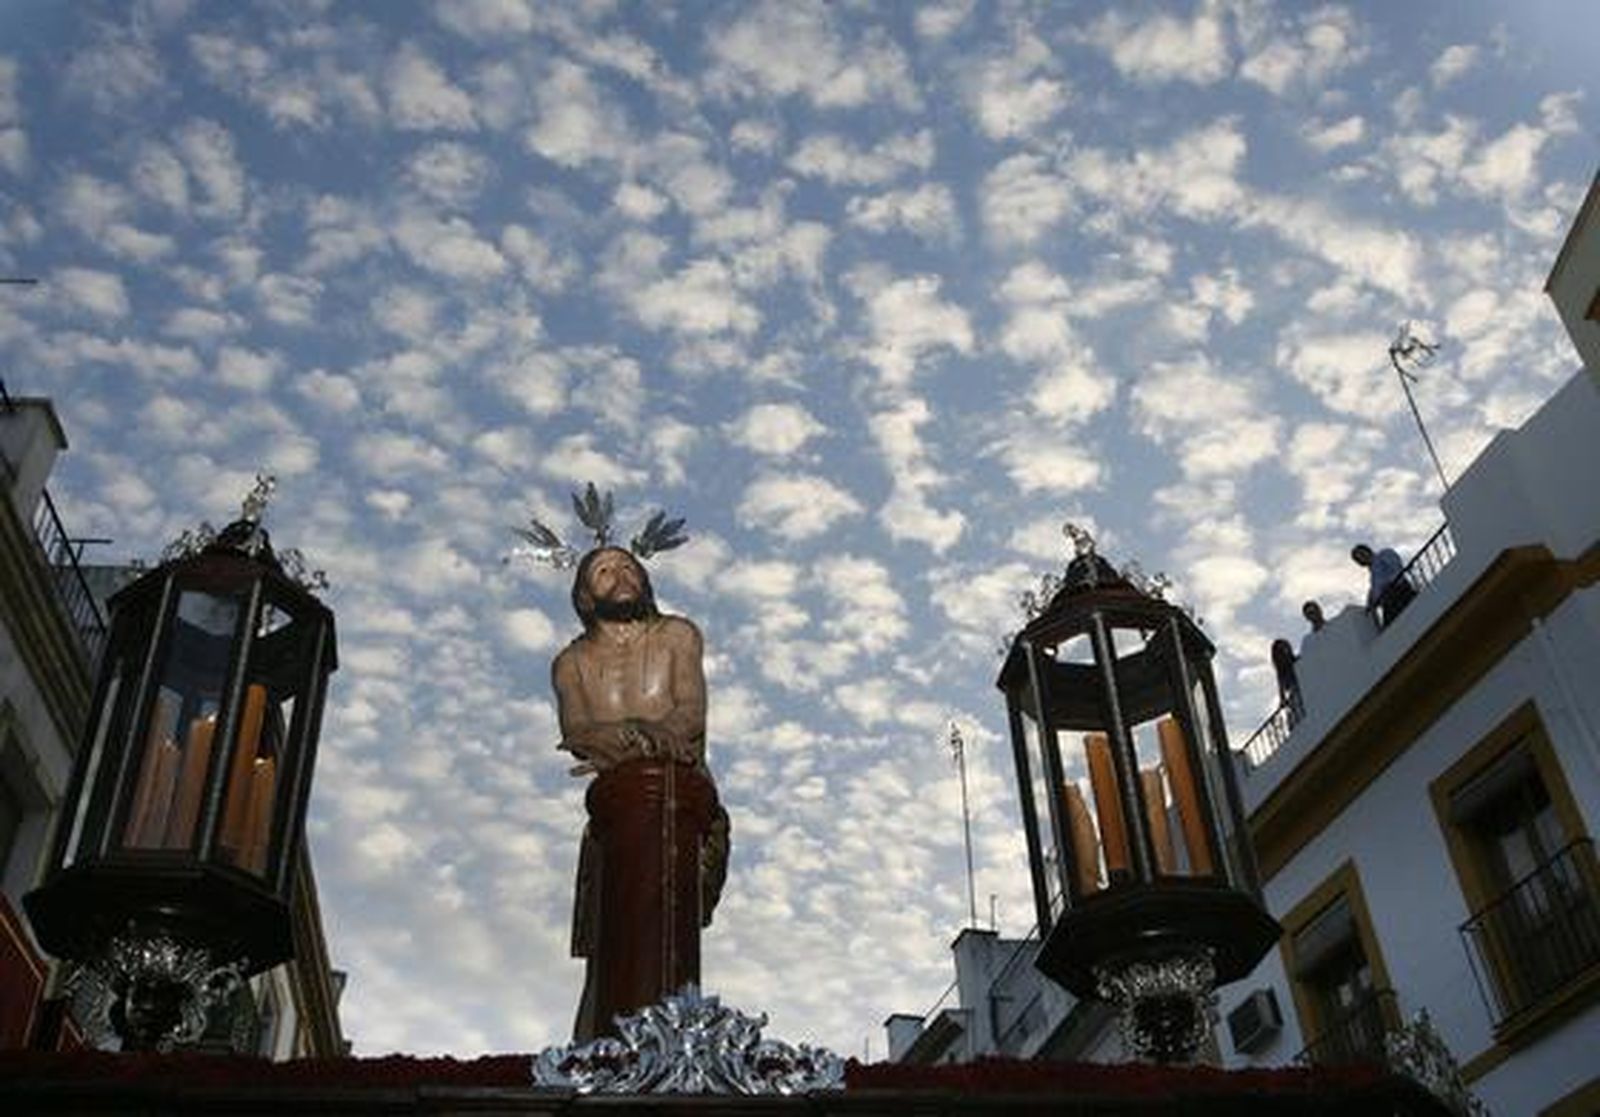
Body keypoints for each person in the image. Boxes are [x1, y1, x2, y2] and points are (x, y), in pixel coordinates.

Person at [552, 546, 729, 1041]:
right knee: (608, 953)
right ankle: (595, 1059)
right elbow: (579, 732)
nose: (621, 574)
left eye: (629, 565)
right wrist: (643, 738)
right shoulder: (572, 663)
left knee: (667, 939)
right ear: (586, 596)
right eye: (604, 571)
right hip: (618, 813)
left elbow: (688, 715)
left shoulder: (677, 636)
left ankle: (672, 1049)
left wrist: (627, 738)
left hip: (680, 804)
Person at [1351, 543, 1416, 627]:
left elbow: (1397, 569)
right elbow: (1374, 593)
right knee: (1391, 627)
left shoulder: (1384, 554)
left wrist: (1386, 585)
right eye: (1359, 558)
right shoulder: (1373, 577)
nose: (1362, 558)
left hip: (1399, 591)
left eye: (1362, 554)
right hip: (1388, 601)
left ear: (1367, 550)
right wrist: (1370, 603)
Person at [1271, 638, 1303, 725]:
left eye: (1286, 648)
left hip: (1301, 692)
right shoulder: (1281, 671)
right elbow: (1281, 688)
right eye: (1282, 650)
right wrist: (1282, 700)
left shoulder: (1298, 662)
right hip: (1296, 695)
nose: (1286, 651)